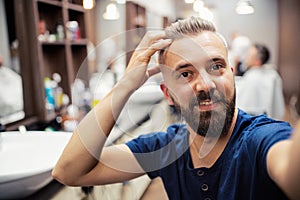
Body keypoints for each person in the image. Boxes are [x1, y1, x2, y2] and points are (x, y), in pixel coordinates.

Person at [52, 16, 300, 199]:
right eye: (185, 73)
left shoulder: (260, 140)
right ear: (168, 94)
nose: (205, 84)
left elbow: (291, 169)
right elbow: (69, 171)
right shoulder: (166, 149)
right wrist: (125, 85)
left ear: (231, 75)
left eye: (216, 66)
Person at [235, 43, 286, 120]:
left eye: (249, 55)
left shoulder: (253, 78)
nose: (246, 57)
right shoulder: (269, 74)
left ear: (257, 61)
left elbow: (242, 104)